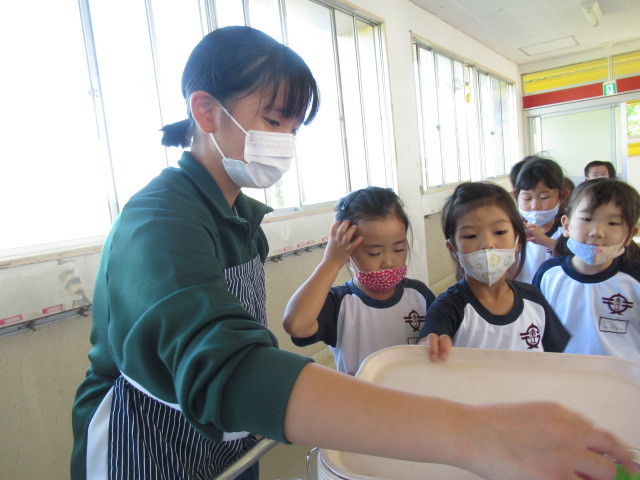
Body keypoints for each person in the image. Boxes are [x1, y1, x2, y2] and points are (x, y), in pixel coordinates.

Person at [70, 26, 636, 480]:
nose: (285, 143)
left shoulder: (242, 218)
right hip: (144, 448)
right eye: (272, 121)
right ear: (206, 111)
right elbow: (227, 368)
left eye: (294, 127)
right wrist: (477, 435)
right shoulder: (159, 221)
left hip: (226, 444)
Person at [283, 186, 436, 375]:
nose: (388, 262)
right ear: (347, 251)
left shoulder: (419, 295)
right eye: (374, 253)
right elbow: (296, 325)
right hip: (360, 403)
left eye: (399, 249)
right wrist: (330, 263)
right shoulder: (339, 304)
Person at [417, 182, 570, 354]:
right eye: (470, 236)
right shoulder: (448, 307)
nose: (487, 244)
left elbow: (557, 358)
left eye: (499, 232)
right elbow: (429, 342)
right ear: (453, 249)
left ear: (518, 240)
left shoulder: (534, 299)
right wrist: (429, 346)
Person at [533, 178, 640, 363]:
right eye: (587, 219)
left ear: (630, 234)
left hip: (624, 384)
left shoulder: (634, 280)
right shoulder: (548, 274)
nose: (597, 232)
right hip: (562, 379)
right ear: (566, 225)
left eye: (613, 223)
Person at [513, 156, 569, 283]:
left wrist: (547, 242)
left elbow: (579, 261)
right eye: (527, 199)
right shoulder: (512, 232)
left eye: (544, 197)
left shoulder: (567, 231)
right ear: (516, 197)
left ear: (562, 196)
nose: (535, 206)